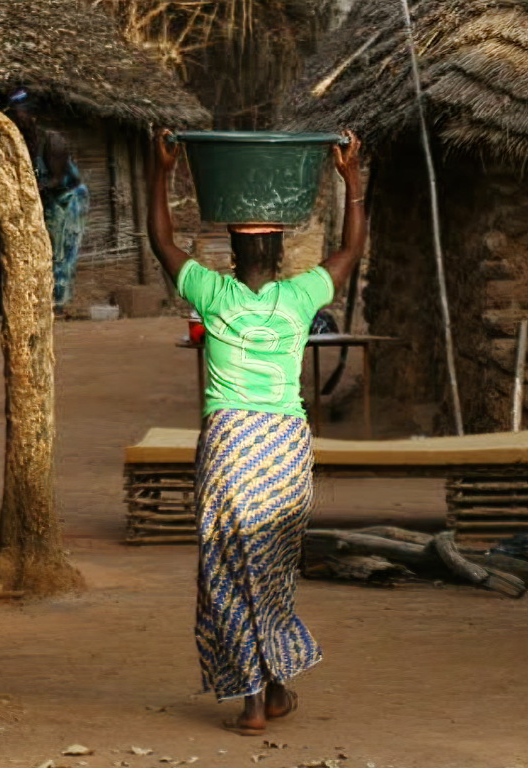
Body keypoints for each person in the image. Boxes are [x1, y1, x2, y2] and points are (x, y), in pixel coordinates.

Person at [147, 128, 365, 735]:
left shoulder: (212, 293)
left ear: (233, 257)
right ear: (280, 258)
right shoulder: (301, 298)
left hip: (227, 444)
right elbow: (351, 251)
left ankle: (254, 698)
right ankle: (271, 688)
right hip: (283, 446)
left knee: (226, 567)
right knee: (269, 567)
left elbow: (160, 240)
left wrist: (161, 170)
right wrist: (351, 180)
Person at [5, 90, 89, 312]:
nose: (15, 120)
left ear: (32, 116)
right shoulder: (22, 143)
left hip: (69, 198)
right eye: (13, 115)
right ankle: (48, 301)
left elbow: (57, 179)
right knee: (46, 249)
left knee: (62, 249)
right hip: (48, 199)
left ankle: (58, 304)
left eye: (19, 114)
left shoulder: (53, 141)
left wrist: (30, 191)